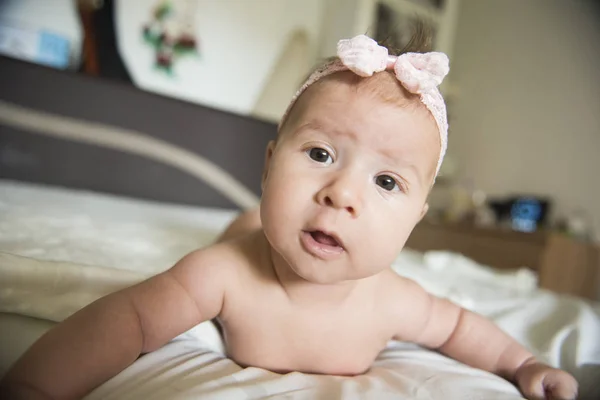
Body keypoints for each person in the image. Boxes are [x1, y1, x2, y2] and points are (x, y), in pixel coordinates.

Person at [0, 29, 578, 400]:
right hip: (250, 235)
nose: (341, 194)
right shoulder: (222, 273)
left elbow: (459, 328)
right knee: (247, 229)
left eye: (385, 181)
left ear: (415, 219)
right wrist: (33, 385)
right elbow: (128, 319)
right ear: (270, 164)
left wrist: (524, 364)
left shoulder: (392, 299)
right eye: (320, 155)